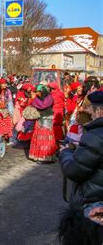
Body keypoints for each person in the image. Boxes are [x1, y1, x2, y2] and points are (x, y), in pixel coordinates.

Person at [59, 90, 103, 244]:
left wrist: (66, 153)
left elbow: (74, 170)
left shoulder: (96, 136)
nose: (88, 113)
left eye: (91, 110)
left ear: (99, 111)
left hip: (95, 203)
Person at [28, 85, 57, 162]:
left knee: (46, 136)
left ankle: (46, 156)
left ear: (42, 91)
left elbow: (43, 105)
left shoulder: (49, 97)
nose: (37, 94)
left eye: (38, 92)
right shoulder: (38, 98)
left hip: (47, 118)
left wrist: (34, 99)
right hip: (39, 118)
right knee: (39, 136)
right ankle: (38, 155)